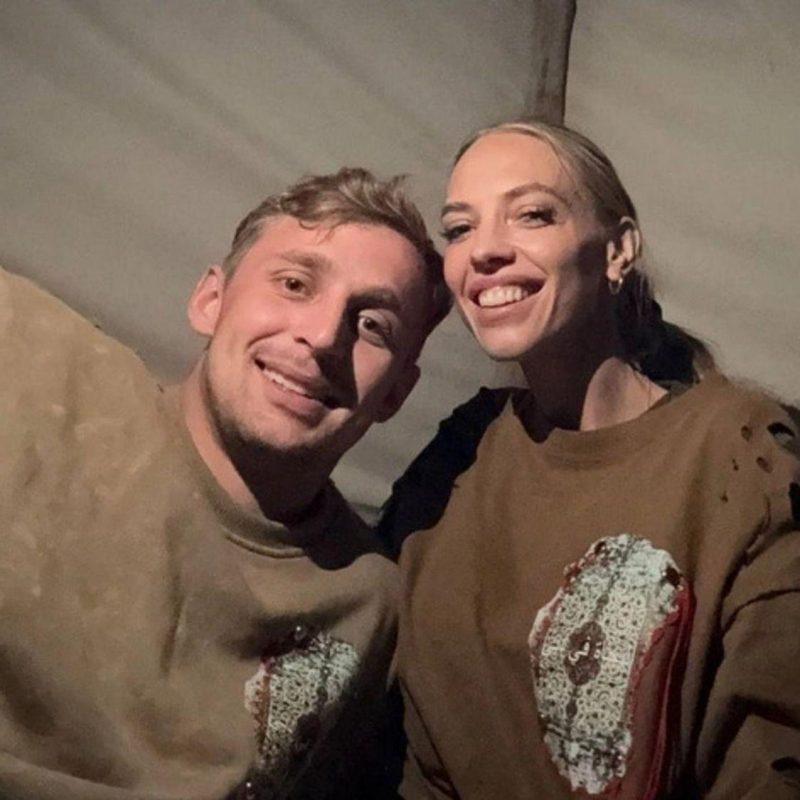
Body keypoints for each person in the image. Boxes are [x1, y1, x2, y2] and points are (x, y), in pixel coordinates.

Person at [380, 120, 800, 799]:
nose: (484, 249)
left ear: (618, 250)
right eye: (459, 228)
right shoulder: (460, 452)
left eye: (532, 214)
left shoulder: (741, 455)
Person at [0, 167, 450, 800]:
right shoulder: (30, 359)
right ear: (210, 300)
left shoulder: (371, 604)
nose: (324, 336)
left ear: (397, 391)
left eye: (373, 325)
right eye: (294, 284)